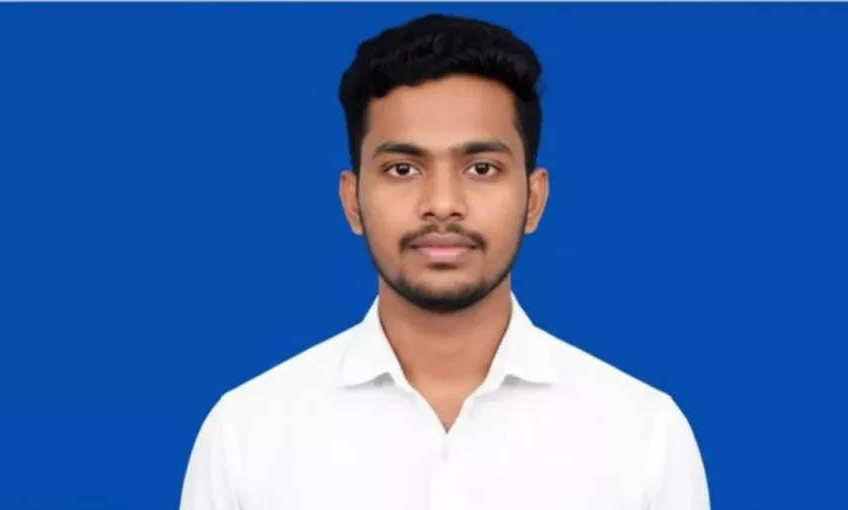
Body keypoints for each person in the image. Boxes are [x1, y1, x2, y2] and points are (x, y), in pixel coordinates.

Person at [181, 13, 709, 510]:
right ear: (351, 200)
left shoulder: (642, 436)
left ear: (534, 199)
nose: (441, 203)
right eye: (403, 168)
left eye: (481, 168)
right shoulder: (247, 435)